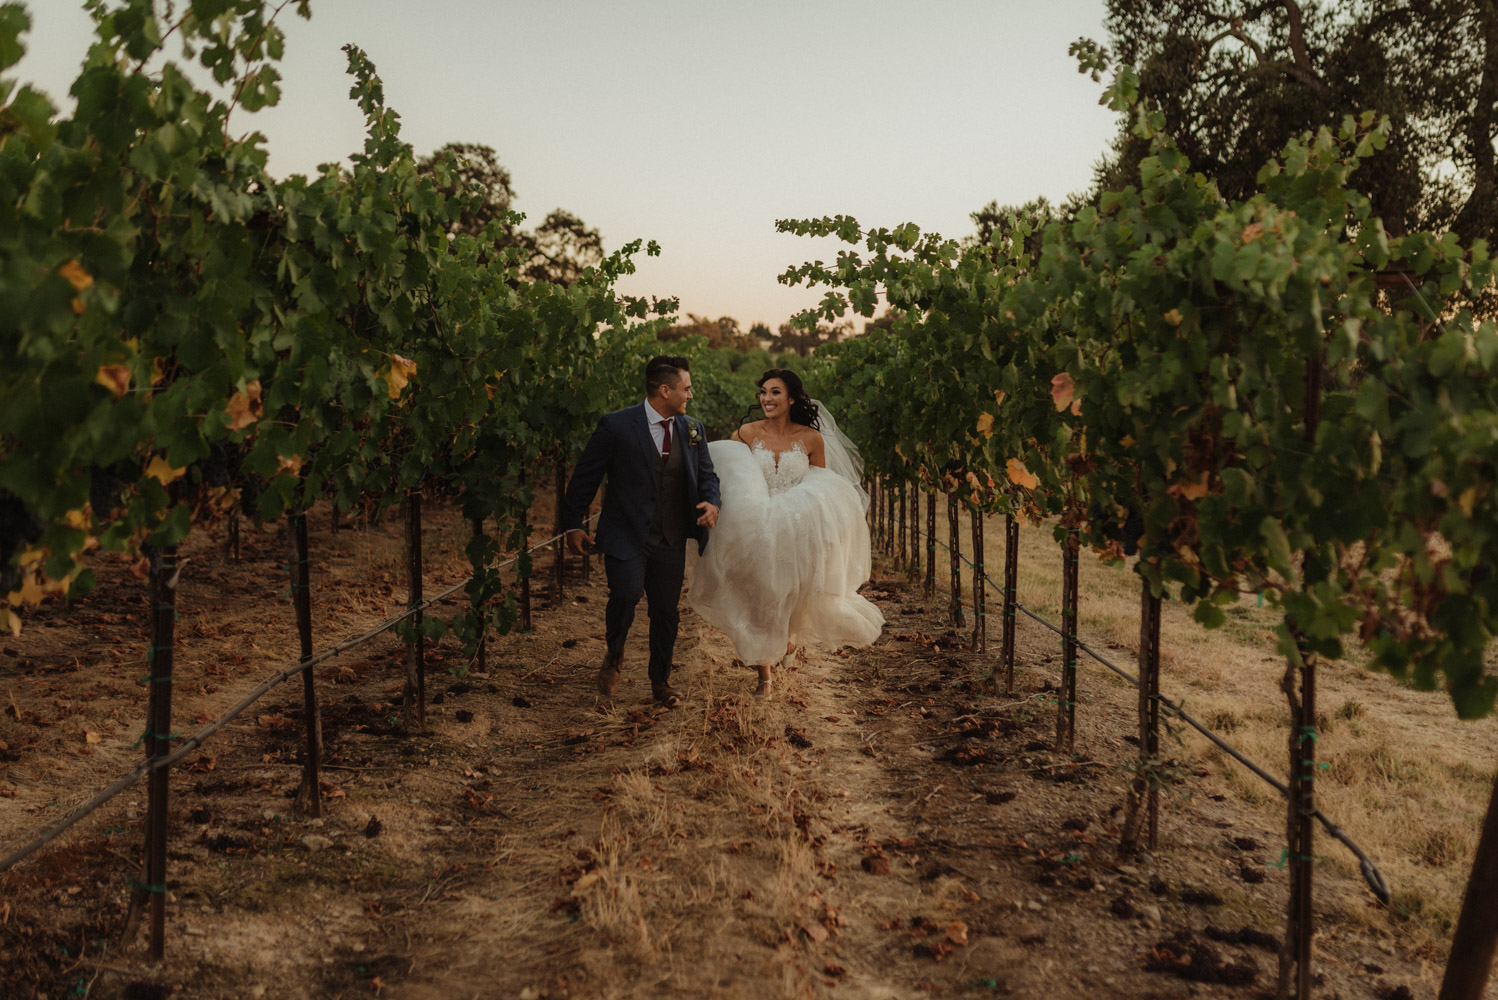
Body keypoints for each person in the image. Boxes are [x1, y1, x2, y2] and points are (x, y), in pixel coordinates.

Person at [688, 369, 883, 698]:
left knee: (791, 592)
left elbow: (821, 483)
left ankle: (787, 638)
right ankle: (765, 674)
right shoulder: (747, 434)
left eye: (775, 392)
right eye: (763, 392)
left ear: (791, 398)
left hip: (795, 523)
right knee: (760, 594)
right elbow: (726, 473)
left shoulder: (810, 438)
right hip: (754, 522)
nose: (766, 398)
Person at [562, 356, 721, 707]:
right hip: (626, 532)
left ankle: (660, 682)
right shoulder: (616, 425)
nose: (690, 396)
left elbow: (707, 475)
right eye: (686, 389)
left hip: (671, 535)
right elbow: (586, 477)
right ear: (665, 390)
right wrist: (573, 524)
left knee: (666, 611)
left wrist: (713, 504)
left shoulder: (692, 428)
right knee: (626, 594)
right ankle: (615, 654)